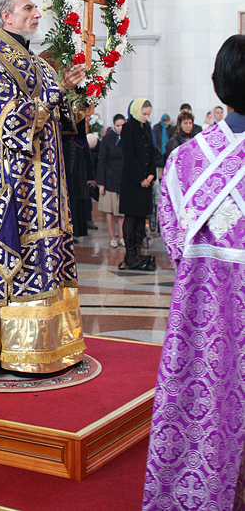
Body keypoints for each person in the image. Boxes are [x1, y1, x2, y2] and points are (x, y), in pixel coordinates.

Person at [142, 34, 245, 510]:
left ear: (216, 84)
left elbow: (172, 240)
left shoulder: (183, 159)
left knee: (207, 407)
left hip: (204, 318)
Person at [0, 0, 88, 373]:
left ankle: (57, 345)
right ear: (7, 16)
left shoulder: (38, 64)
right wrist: (58, 89)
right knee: (23, 262)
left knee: (51, 257)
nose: (37, 13)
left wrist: (77, 100)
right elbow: (11, 125)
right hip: (18, 189)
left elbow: (58, 120)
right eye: (28, 8)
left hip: (50, 186)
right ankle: (18, 352)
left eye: (36, 7)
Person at [118, 99, 157, 270]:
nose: (146, 117)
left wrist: (151, 175)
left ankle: (138, 251)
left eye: (148, 114)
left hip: (146, 181)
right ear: (136, 111)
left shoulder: (147, 127)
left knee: (142, 216)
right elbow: (129, 156)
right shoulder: (128, 128)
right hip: (132, 182)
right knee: (131, 216)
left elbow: (152, 152)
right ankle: (129, 253)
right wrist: (141, 178)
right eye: (144, 114)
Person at [97, 114, 125, 248]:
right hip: (110, 179)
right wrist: (101, 183)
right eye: (118, 125)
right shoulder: (107, 139)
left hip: (123, 178)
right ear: (114, 125)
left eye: (122, 125)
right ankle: (112, 238)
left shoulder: (128, 138)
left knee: (122, 212)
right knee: (110, 211)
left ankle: (122, 237)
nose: (120, 128)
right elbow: (102, 161)